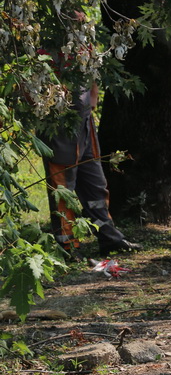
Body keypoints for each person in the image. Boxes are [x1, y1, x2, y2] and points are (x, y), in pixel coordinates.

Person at [40, 53, 142, 257]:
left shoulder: (82, 38)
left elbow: (91, 71)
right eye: (76, 18)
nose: (80, 19)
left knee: (96, 186)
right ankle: (67, 246)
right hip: (59, 127)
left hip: (84, 122)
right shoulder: (47, 40)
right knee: (63, 190)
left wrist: (93, 96)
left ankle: (110, 238)